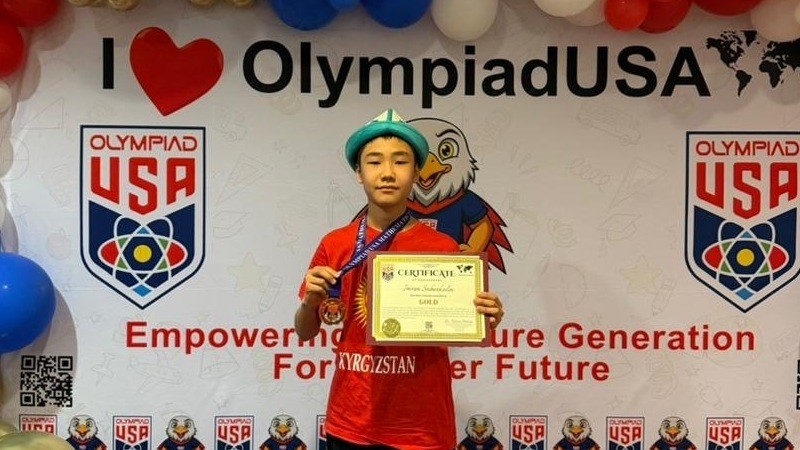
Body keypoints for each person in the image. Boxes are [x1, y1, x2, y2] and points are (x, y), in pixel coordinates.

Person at [294, 109, 505, 450]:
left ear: (417, 173)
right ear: (358, 173)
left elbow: (463, 323)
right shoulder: (335, 244)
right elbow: (305, 330)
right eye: (374, 162)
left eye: (401, 162)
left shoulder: (444, 248)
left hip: (421, 428)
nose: (388, 173)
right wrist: (310, 303)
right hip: (351, 423)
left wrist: (485, 315)